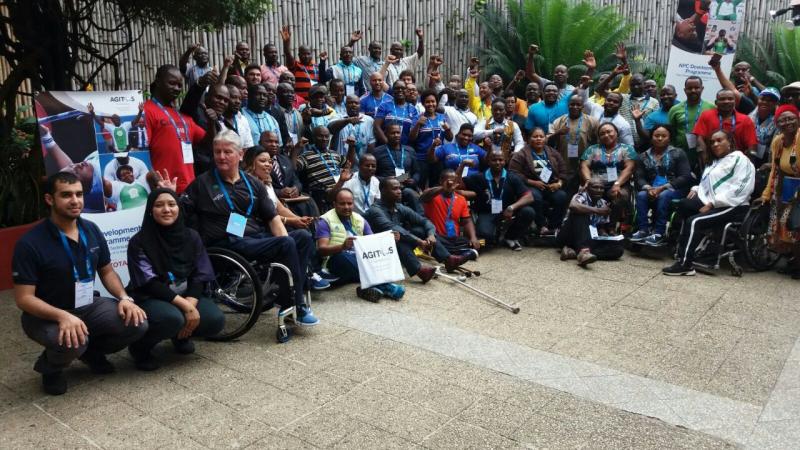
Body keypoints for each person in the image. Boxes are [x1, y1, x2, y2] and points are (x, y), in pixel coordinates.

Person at [12, 172, 148, 395]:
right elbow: (23, 298)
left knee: (137, 322)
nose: (75, 201)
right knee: (73, 342)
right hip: (47, 315)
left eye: (79, 194)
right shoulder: (30, 243)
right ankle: (50, 368)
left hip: (88, 304)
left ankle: (90, 353)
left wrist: (124, 298)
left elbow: (107, 271)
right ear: (50, 199)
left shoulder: (91, 230)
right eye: (66, 195)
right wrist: (62, 316)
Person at [182, 130, 320, 324]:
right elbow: (179, 212)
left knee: (302, 238)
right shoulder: (202, 183)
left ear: (240, 154)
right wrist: (168, 194)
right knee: (286, 244)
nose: (221, 157)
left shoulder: (253, 183)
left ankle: (289, 295)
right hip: (227, 243)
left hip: (255, 237)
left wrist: (282, 240)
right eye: (217, 152)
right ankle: (295, 304)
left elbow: (272, 218)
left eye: (227, 152)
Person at [126, 189, 224, 370]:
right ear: (150, 210)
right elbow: (149, 283)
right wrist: (186, 307)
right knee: (172, 318)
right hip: (151, 297)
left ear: (178, 208)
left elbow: (200, 274)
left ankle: (180, 337)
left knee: (214, 320)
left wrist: (191, 303)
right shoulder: (139, 242)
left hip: (185, 293)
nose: (166, 209)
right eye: (159, 205)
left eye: (171, 204)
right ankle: (140, 348)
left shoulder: (191, 236)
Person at [663, 130, 755, 276]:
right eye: (712, 142)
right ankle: (692, 246)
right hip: (713, 200)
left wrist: (712, 204)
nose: (715, 144)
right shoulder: (715, 162)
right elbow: (711, 183)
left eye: (719, 140)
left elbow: (741, 189)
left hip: (733, 205)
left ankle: (685, 265)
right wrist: (696, 188)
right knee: (683, 204)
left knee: (694, 222)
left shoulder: (740, 159)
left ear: (730, 142)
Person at [365, 177, 468, 282]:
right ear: (383, 191)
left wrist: (431, 235)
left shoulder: (399, 207)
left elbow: (424, 221)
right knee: (396, 238)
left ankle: (448, 260)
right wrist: (418, 241)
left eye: (400, 188)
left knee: (421, 230)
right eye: (395, 189)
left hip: (396, 242)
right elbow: (393, 228)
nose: (399, 191)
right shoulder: (375, 211)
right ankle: (419, 270)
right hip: (376, 250)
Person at [316, 188, 405, 302]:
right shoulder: (325, 220)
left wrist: (389, 240)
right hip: (334, 263)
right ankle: (384, 285)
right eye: (342, 204)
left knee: (372, 256)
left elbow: (373, 242)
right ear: (334, 204)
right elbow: (321, 249)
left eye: (349, 203)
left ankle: (370, 287)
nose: (347, 207)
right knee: (342, 257)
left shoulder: (359, 219)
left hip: (357, 262)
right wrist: (342, 247)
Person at [144, 64, 210, 192]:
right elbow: (140, 152)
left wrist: (212, 122)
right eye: (172, 83)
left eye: (180, 85)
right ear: (158, 81)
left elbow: (207, 143)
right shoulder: (146, 111)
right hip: (165, 190)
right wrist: (158, 183)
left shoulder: (183, 117)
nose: (176, 88)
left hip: (189, 190)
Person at [630, 125, 693, 246]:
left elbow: (685, 176)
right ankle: (643, 229)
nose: (659, 138)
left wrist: (662, 187)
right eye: (656, 135)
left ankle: (659, 232)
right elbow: (639, 177)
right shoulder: (643, 156)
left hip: (674, 188)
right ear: (651, 137)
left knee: (664, 195)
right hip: (652, 188)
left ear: (669, 138)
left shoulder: (678, 153)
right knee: (642, 195)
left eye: (663, 136)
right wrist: (648, 188)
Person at [461, 149, 535, 251]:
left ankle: (510, 237)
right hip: (487, 212)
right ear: (488, 161)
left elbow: (529, 196)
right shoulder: (479, 177)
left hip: (507, 211)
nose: (497, 163)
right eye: (494, 160)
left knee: (528, 212)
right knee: (486, 239)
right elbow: (457, 184)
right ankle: (491, 238)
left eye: (501, 160)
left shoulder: (512, 177)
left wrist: (512, 207)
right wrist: (462, 166)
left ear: (505, 161)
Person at [757, 104, 800, 278]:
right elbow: (775, 170)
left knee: (796, 226)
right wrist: (767, 194)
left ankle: (798, 265)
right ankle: (793, 261)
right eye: (782, 120)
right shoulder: (778, 141)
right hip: (786, 185)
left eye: (791, 118)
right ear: (777, 124)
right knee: (784, 226)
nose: (787, 122)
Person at [509, 128, 569, 235]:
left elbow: (563, 171)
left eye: (541, 136)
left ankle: (554, 226)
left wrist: (559, 183)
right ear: (528, 139)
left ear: (545, 139)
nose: (538, 139)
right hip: (530, 186)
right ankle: (541, 226)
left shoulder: (553, 152)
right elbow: (513, 173)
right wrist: (532, 182)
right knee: (535, 196)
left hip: (551, 185)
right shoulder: (522, 154)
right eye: (535, 136)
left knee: (562, 196)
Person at [579, 122, 638, 225]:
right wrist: (588, 181)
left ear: (616, 132)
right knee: (589, 193)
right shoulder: (592, 149)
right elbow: (584, 166)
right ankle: (596, 225)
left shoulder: (627, 149)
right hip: (596, 183)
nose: (606, 135)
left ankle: (611, 226)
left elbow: (629, 168)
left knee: (620, 195)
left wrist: (617, 184)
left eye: (609, 131)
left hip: (619, 183)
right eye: (602, 133)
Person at [556, 177, 624, 266]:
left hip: (587, 238)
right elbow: (573, 206)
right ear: (587, 188)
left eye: (601, 188)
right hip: (568, 236)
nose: (599, 190)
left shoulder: (603, 203)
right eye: (595, 187)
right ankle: (583, 252)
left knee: (618, 250)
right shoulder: (580, 196)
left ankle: (574, 252)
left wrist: (604, 235)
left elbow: (601, 227)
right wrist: (598, 211)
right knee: (581, 213)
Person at [420, 169, 481, 258]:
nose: (450, 183)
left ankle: (452, 252)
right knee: (433, 242)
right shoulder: (433, 194)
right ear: (441, 181)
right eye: (447, 180)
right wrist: (443, 188)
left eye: (453, 181)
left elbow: (467, 221)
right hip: (436, 236)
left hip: (453, 238)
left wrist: (473, 237)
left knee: (478, 242)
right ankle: (458, 253)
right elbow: (424, 197)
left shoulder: (461, 199)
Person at [257, 131, 319, 218]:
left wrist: (296, 189)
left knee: (309, 202)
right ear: (260, 143)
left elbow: (296, 181)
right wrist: (279, 192)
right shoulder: (256, 163)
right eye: (269, 141)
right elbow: (258, 186)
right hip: (273, 201)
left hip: (292, 199)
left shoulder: (284, 159)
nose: (274, 144)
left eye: (276, 142)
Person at [292, 126, 354, 211]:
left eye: (326, 136)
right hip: (321, 195)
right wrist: (296, 149)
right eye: (320, 136)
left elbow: (348, 164)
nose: (324, 139)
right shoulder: (307, 155)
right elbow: (293, 167)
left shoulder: (335, 154)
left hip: (338, 190)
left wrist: (351, 147)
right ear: (313, 137)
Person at [693, 89, 758, 168]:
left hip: (736, 164)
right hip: (712, 162)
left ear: (735, 101)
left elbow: (752, 145)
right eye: (722, 99)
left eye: (730, 99)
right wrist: (705, 158)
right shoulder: (706, 116)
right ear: (716, 102)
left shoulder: (745, 120)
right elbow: (699, 138)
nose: (726, 101)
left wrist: (744, 165)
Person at [668, 76, 715, 172]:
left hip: (705, 153)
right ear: (685, 90)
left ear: (702, 89)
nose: (693, 90)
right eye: (689, 88)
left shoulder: (711, 107)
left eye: (696, 88)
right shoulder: (675, 109)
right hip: (681, 154)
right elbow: (670, 132)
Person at [372, 123, 422, 212]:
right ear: (386, 134)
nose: (396, 135)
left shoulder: (410, 150)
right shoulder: (377, 152)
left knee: (410, 193)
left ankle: (421, 220)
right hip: (386, 187)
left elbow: (417, 171)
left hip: (406, 185)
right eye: (393, 133)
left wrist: (414, 180)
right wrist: (386, 179)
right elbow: (372, 174)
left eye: (398, 133)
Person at [549, 94, 598, 185]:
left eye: (578, 105)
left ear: (582, 106)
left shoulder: (592, 121)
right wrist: (558, 132)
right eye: (572, 104)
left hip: (584, 163)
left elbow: (597, 142)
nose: (575, 107)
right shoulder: (558, 121)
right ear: (568, 105)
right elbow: (548, 141)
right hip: (563, 163)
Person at [409, 90, 452, 188]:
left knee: (436, 186)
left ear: (436, 102)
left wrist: (448, 129)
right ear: (423, 103)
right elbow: (411, 138)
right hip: (422, 158)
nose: (430, 104)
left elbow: (449, 138)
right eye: (427, 102)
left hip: (438, 158)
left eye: (433, 101)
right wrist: (418, 124)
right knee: (421, 185)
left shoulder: (442, 117)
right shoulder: (418, 118)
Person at [281, 26, 326, 100]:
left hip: (315, 102)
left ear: (312, 54)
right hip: (299, 103)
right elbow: (288, 54)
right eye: (303, 54)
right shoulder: (295, 65)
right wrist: (286, 44)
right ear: (299, 55)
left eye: (308, 54)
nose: (306, 56)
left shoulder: (316, 67)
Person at [618, 74, 660, 148]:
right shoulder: (622, 98)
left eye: (638, 84)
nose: (635, 87)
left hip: (645, 144)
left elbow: (655, 125)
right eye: (632, 85)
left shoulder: (654, 102)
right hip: (624, 145)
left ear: (644, 84)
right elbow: (600, 91)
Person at [374, 80, 420, 145]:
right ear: (393, 90)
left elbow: (413, 134)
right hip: (386, 146)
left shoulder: (413, 109)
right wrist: (387, 143)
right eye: (397, 88)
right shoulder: (384, 106)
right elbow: (376, 126)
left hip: (405, 148)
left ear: (406, 91)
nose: (400, 90)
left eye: (403, 88)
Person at [336, 94, 376, 159]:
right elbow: (331, 127)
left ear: (360, 105)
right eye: (350, 103)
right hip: (341, 163)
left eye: (356, 103)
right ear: (345, 105)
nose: (353, 105)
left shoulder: (369, 120)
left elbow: (371, 144)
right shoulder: (338, 118)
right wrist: (348, 120)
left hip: (361, 164)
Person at [243, 84, 283, 148]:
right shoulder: (241, 115)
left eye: (265, 95)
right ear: (249, 96)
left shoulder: (271, 119)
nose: (262, 98)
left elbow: (279, 145)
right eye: (258, 94)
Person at [748, 87, 780, 165]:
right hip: (748, 155)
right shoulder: (750, 116)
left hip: (767, 160)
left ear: (776, 103)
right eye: (762, 99)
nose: (765, 102)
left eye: (770, 101)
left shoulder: (780, 120)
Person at [221, 83, 254, 148]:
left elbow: (248, 147)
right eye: (234, 97)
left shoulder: (242, 120)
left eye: (240, 99)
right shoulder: (216, 119)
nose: (238, 101)